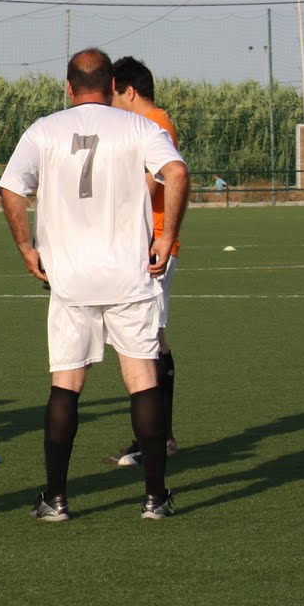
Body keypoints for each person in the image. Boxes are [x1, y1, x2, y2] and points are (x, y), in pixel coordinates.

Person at [0, 48, 187, 522]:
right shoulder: (139, 126)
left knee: (67, 384)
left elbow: (11, 187)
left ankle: (55, 499)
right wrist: (166, 237)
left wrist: (26, 247)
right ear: (110, 86)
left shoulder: (44, 130)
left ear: (68, 86)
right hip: (129, 274)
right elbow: (177, 173)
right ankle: (155, 498)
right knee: (141, 380)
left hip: (70, 278)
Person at [104, 56, 184, 466]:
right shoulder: (152, 123)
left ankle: (154, 439)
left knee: (145, 342)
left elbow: (154, 184)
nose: (110, 105)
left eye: (113, 96)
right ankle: (158, 437)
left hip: (150, 245)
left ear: (129, 92)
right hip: (147, 243)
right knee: (150, 339)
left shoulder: (154, 125)